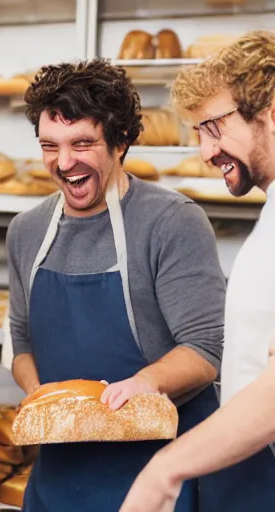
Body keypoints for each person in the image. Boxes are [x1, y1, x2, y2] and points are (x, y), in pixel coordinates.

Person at [5, 59, 227, 511]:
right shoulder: (27, 230)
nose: (64, 163)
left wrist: (144, 383)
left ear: (121, 141)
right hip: (61, 477)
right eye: (50, 146)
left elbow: (206, 350)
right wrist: (41, 399)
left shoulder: (172, 222)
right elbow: (22, 339)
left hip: (162, 473)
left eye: (82, 144)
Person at [121, 30, 275, 512]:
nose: (207, 153)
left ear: (270, 113)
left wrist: (166, 470)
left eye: (214, 127)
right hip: (251, 461)